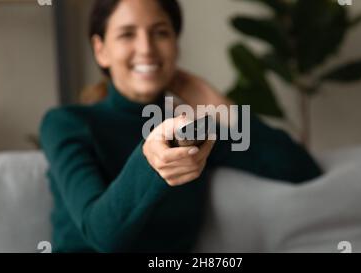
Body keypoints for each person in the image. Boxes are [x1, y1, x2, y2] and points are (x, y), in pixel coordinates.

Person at [39, 0, 322, 253]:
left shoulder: (194, 129)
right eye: (127, 34)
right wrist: (150, 160)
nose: (146, 48)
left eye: (160, 32)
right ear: (101, 50)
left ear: (176, 44)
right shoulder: (67, 124)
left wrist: (221, 108)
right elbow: (101, 235)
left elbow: (301, 169)